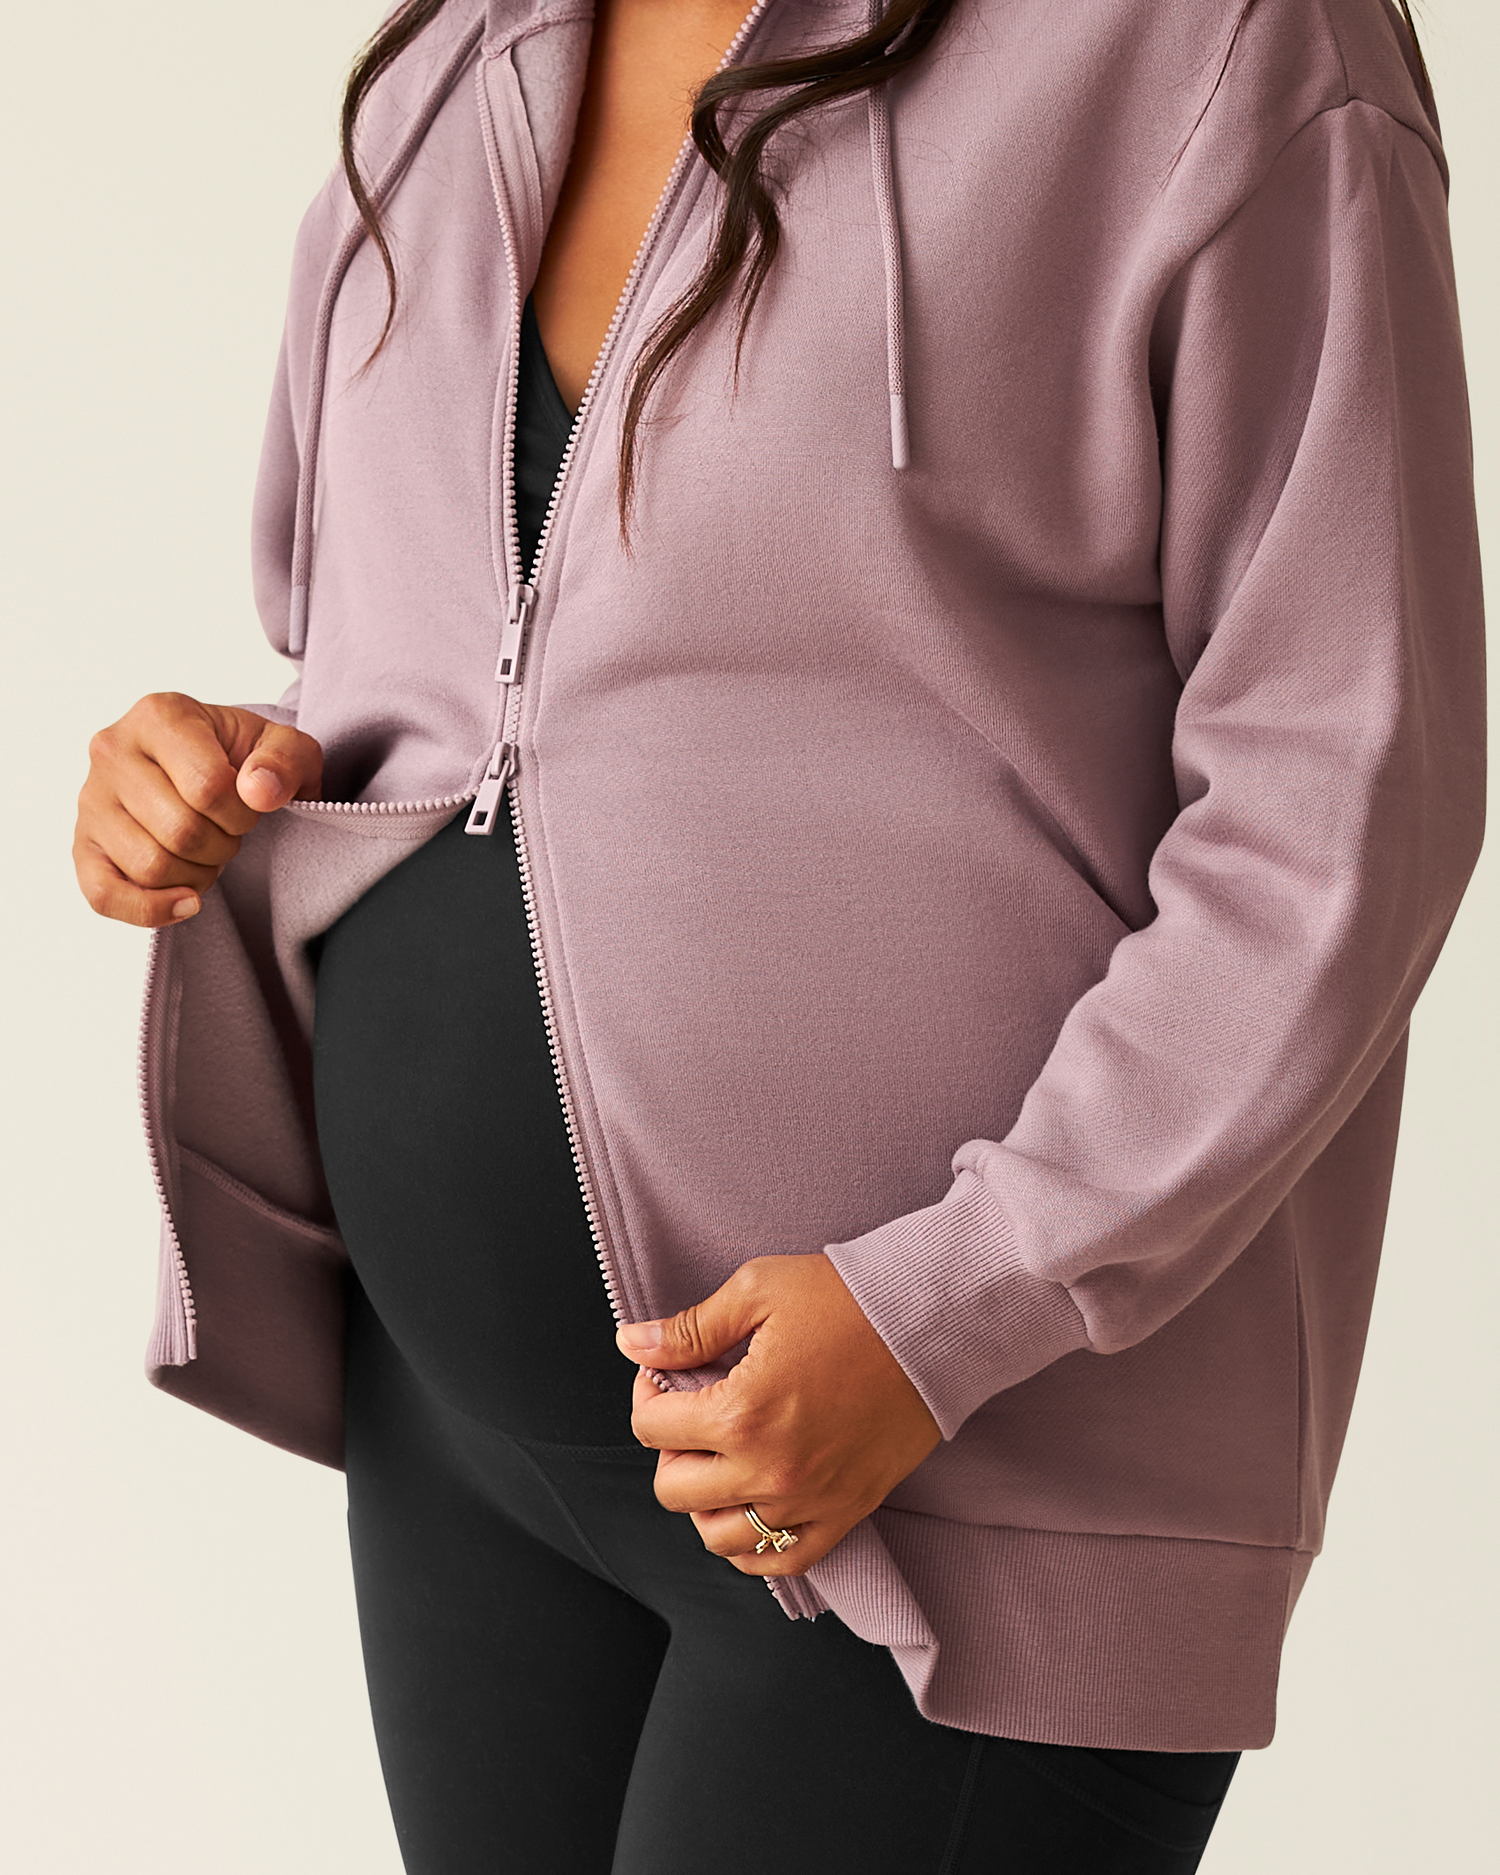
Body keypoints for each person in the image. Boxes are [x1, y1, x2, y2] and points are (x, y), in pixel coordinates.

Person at [72, 0, 1483, 1868]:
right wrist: (206, 770)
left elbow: (1346, 792)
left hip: (961, 1472)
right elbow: (449, 682)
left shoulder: (1214, 41)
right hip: (467, 1455)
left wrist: (949, 1304)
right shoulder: (456, 62)